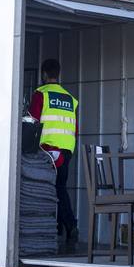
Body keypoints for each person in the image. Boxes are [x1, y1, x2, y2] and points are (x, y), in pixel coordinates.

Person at [28, 59, 79, 244]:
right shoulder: (70, 98)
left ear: (43, 74)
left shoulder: (41, 94)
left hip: (47, 150)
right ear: (58, 74)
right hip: (66, 150)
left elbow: (32, 121)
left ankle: (69, 225)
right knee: (59, 187)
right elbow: (75, 128)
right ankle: (59, 228)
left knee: (48, 189)